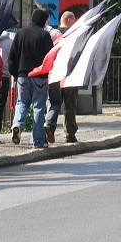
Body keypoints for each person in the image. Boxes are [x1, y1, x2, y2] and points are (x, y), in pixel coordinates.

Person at [7, 8, 54, 148]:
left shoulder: (20, 34)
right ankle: (37, 141)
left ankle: (17, 124)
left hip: (22, 76)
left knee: (22, 103)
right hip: (39, 77)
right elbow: (50, 57)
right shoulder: (45, 36)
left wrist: (15, 74)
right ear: (43, 20)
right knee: (38, 107)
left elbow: (12, 57)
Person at [45, 10, 79, 143]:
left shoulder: (53, 34)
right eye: (74, 20)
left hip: (54, 75)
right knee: (70, 105)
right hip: (70, 75)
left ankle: (49, 129)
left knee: (52, 103)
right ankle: (70, 134)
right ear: (70, 20)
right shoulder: (75, 34)